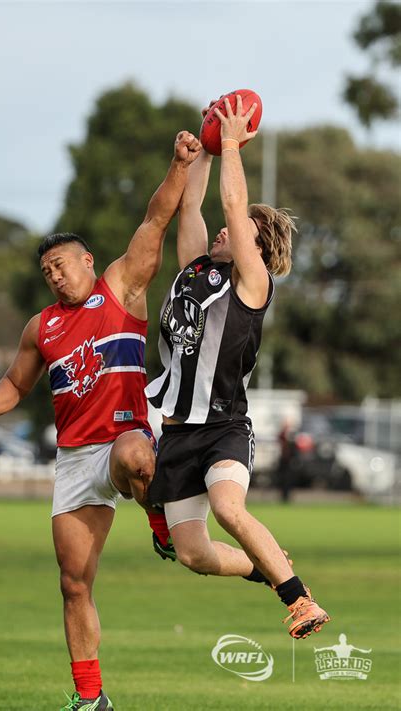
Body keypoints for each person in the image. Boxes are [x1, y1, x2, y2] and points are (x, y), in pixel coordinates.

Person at [0, 129, 201, 711]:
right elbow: (15, 384)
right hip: (74, 460)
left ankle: (159, 521)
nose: (55, 276)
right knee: (73, 583)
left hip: (122, 438)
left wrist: (179, 164)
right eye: (47, 271)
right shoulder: (42, 327)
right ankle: (91, 698)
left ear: (88, 260)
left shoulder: (119, 289)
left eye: (61, 264)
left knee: (137, 456)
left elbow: (155, 220)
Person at [146, 96, 330, 640]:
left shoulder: (253, 284)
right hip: (177, 432)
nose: (226, 230)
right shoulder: (196, 269)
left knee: (228, 508)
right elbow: (192, 208)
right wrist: (200, 151)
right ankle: (268, 564)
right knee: (194, 555)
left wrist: (230, 142)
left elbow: (231, 206)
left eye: (240, 228)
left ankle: (299, 601)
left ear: (255, 243)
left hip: (224, 426)